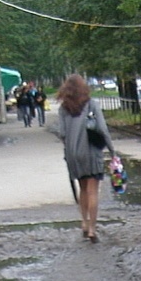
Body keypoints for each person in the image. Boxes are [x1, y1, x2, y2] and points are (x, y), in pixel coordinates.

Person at [57, 74, 115, 243]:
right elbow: (103, 129)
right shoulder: (91, 104)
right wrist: (112, 151)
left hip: (73, 154)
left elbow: (62, 133)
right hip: (91, 152)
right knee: (93, 191)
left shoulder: (63, 109)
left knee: (82, 189)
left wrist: (70, 147)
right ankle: (92, 229)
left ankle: (84, 222)